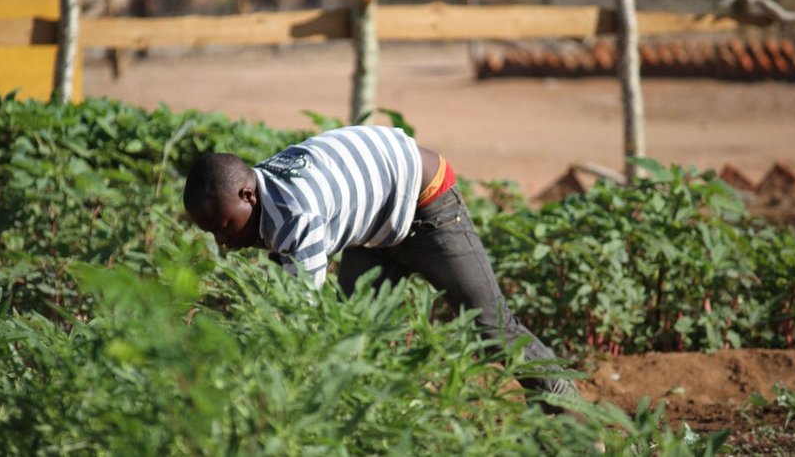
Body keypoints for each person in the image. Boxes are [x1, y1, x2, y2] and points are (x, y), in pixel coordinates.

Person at [183, 125, 577, 409]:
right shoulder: (260, 190)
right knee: (356, 333)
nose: (223, 241)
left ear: (247, 194)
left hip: (425, 203)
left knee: (490, 328)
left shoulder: (294, 214)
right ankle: (382, 420)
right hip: (374, 228)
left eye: (223, 226)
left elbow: (299, 316)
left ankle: (570, 410)